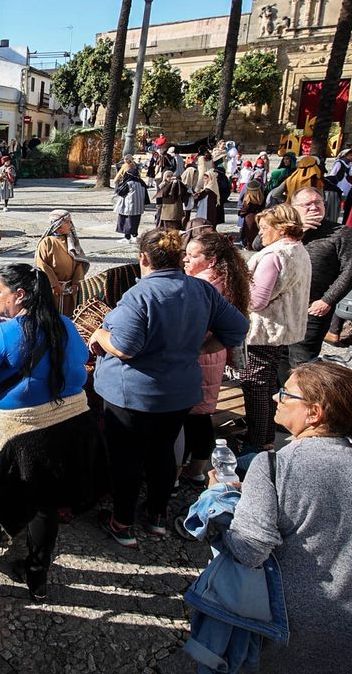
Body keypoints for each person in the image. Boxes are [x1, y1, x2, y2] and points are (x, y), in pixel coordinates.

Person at [220, 361, 352, 674]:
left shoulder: (273, 467)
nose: (274, 398)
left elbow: (249, 550)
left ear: (315, 412)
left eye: (285, 394)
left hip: (289, 626)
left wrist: (223, 501)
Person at [0, 264, 101, 599]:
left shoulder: (5, 333)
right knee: (45, 502)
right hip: (70, 425)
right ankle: (37, 574)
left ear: (19, 295)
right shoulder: (66, 325)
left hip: (21, 436)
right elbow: (80, 362)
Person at [88, 228, 250, 544]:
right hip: (178, 394)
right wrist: (199, 349)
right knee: (163, 452)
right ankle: (156, 518)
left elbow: (125, 346)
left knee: (127, 458)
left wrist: (99, 336)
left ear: (143, 258)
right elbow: (237, 328)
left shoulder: (140, 295)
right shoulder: (200, 290)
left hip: (133, 395)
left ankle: (122, 524)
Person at [180, 231, 252, 488]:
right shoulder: (224, 279)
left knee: (193, 417)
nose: (186, 260)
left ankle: (188, 471)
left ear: (210, 261)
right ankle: (196, 470)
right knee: (202, 414)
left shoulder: (204, 286)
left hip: (201, 354)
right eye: (185, 254)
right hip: (214, 352)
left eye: (192, 255)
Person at [242, 205, 312, 450]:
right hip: (282, 327)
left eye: (264, 228)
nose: (261, 234)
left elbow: (257, 301)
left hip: (265, 329)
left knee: (256, 385)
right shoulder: (298, 250)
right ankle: (267, 435)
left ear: (281, 229)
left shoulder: (274, 255)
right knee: (269, 382)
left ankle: (257, 440)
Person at [285, 186, 352, 365]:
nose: (313, 208)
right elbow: (259, 244)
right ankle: (279, 393)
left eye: (317, 203)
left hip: (312, 308)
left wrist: (328, 300)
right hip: (281, 305)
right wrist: (296, 230)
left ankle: (301, 393)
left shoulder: (341, 233)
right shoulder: (287, 229)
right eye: (307, 205)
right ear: (294, 207)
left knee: (302, 360)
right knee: (278, 357)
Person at [35, 210, 90, 317]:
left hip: (70, 288)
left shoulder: (72, 242)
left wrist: (75, 282)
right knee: (53, 315)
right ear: (58, 225)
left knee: (69, 315)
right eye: (68, 222)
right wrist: (54, 285)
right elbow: (42, 265)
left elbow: (79, 262)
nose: (71, 224)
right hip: (53, 290)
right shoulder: (47, 243)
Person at [113, 161, 147, 242]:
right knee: (135, 221)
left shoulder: (129, 183)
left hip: (129, 207)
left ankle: (127, 237)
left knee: (126, 221)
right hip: (138, 207)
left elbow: (120, 192)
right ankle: (134, 236)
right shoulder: (141, 183)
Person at [237, 179, 265, 248]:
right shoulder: (262, 199)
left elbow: (243, 212)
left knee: (249, 236)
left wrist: (240, 212)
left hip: (249, 220)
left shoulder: (248, 201)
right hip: (258, 218)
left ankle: (249, 247)